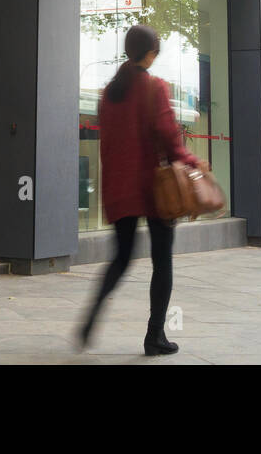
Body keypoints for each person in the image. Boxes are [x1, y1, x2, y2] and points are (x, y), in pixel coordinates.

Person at [78, 24, 201, 356]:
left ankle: (90, 316)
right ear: (149, 54)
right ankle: (155, 336)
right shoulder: (153, 88)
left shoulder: (109, 93)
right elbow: (169, 136)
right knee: (162, 262)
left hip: (120, 188)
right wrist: (193, 161)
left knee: (121, 258)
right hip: (155, 190)